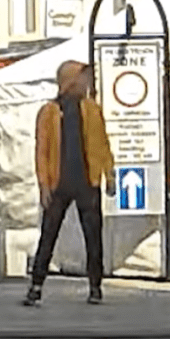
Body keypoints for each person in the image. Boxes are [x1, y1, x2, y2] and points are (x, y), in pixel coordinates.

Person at [23, 61, 115, 306]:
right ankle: (36, 285)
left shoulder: (92, 110)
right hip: (58, 183)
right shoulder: (49, 112)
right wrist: (43, 184)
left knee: (93, 237)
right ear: (71, 81)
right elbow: (42, 151)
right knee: (48, 235)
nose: (86, 83)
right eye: (83, 78)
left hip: (87, 180)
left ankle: (95, 286)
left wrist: (109, 173)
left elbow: (102, 144)